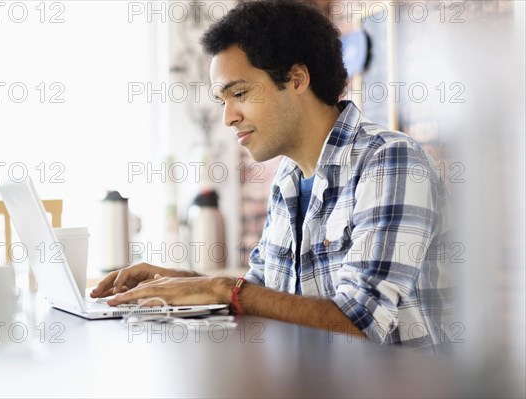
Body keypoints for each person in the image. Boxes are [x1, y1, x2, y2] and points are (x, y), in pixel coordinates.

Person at [91, 0, 453, 349]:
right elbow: (260, 295)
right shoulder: (288, 177)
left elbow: (359, 323)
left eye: (241, 93)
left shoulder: (390, 161)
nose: (227, 117)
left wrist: (221, 288)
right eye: (223, 100)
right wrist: (181, 283)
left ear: (296, 79)